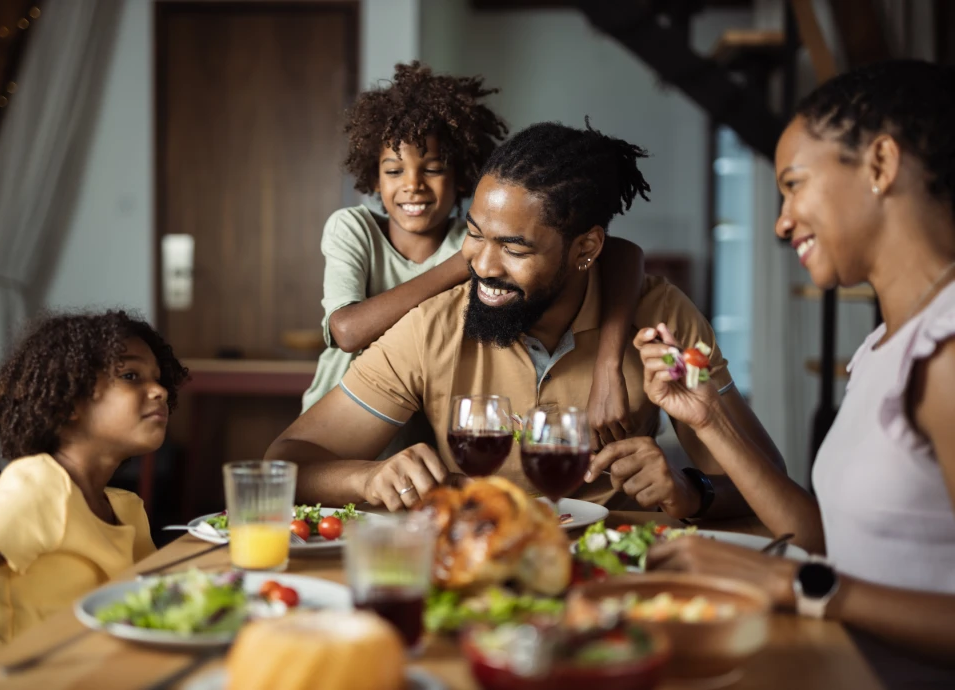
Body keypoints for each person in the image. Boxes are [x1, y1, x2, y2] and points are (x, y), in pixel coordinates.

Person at [267, 120, 784, 514]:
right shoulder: (432, 325)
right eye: (475, 234)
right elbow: (285, 463)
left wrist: (691, 490)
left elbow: (767, 482)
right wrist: (363, 479)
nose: (483, 266)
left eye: (514, 248)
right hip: (472, 564)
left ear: (586, 248)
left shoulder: (661, 321)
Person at [640, 60, 955, 688]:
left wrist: (793, 584)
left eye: (794, 184)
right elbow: (827, 539)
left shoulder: (947, 351)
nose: (782, 222)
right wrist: (710, 422)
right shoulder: (885, 347)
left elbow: (815, 572)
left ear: (880, 164)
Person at [301, 62, 646, 453]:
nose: (412, 185)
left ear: (463, 175)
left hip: (421, 431)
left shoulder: (470, 239)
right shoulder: (360, 229)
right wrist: (470, 254)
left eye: (432, 169)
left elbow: (622, 253)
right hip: (345, 420)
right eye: (394, 170)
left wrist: (607, 365)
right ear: (373, 177)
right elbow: (346, 332)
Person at [0, 311, 187, 666]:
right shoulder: (36, 488)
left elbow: (156, 604)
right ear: (70, 400)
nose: (159, 391)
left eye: (158, 380)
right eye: (130, 376)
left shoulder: (126, 507)